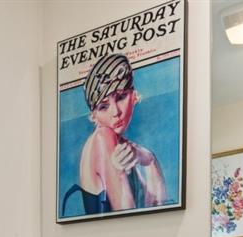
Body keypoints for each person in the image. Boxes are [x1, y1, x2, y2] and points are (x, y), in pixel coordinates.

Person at [61, 53, 167, 216]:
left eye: (121, 97)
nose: (116, 112)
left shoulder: (123, 146)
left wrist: (149, 159)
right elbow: (128, 215)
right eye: (103, 107)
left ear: (134, 95)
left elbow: (157, 205)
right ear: (94, 115)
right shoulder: (103, 137)